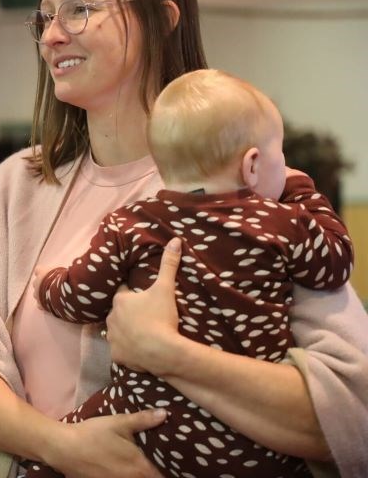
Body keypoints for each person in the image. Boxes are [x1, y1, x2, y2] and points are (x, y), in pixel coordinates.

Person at [0, 0, 368, 478]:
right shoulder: (20, 184)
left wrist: (167, 353)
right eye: (45, 17)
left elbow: (351, 411)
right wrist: (61, 446)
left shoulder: (254, 190)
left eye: (78, 10)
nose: (53, 36)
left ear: (162, 19)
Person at [32, 68, 353, 477]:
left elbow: (81, 299)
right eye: (281, 154)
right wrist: (304, 190)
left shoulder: (129, 224)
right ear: (252, 166)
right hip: (260, 448)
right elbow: (335, 263)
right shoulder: (283, 223)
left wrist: (47, 283)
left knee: (54, 451)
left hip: (155, 428)